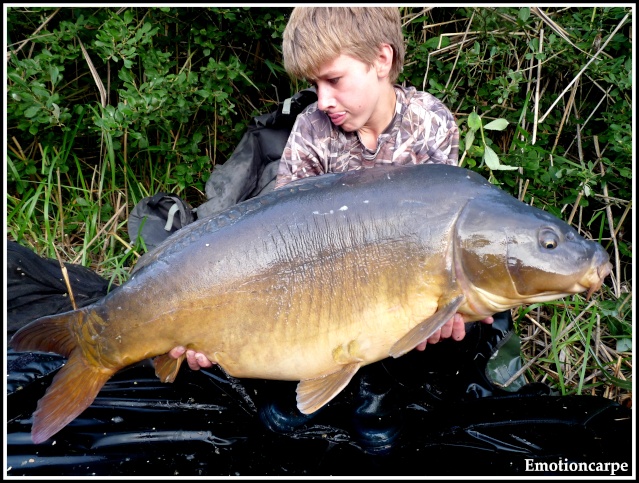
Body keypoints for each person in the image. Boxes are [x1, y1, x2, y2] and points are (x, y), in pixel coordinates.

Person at [170, 6, 492, 372]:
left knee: (467, 328)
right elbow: (284, 239)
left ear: (382, 60)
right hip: (320, 292)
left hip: (397, 286)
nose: (322, 101)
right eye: (315, 84)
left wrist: (446, 307)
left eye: (334, 80)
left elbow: (439, 232)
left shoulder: (432, 123)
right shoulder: (312, 128)